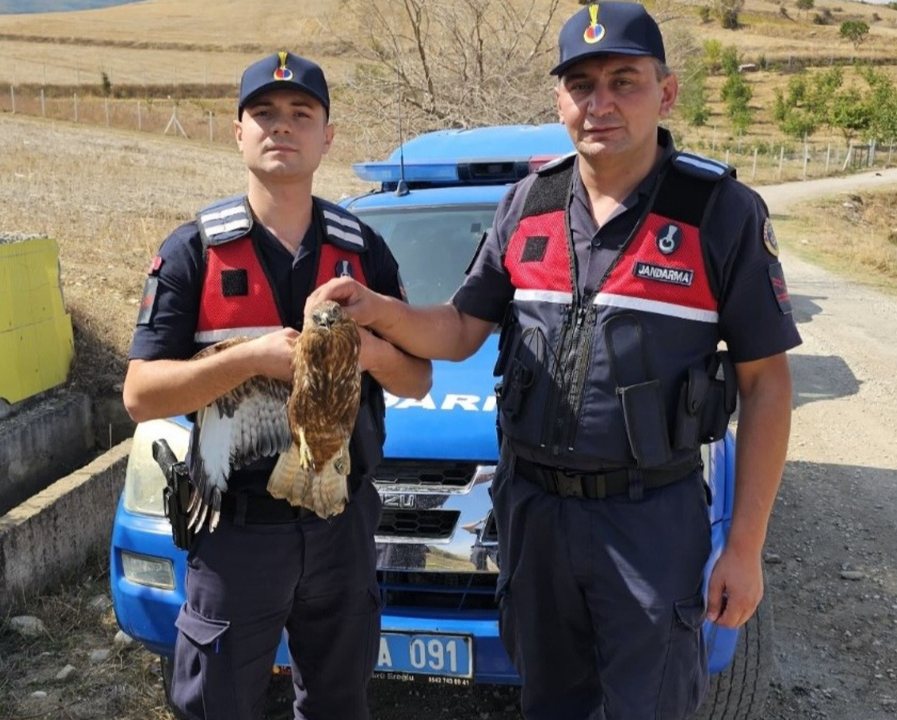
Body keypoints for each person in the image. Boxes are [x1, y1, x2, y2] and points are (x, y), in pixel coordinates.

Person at [306, 3, 800, 718]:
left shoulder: (719, 212)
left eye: (623, 81)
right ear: (559, 99)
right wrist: (378, 310)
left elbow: (768, 385)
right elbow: (459, 328)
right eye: (581, 84)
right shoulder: (527, 203)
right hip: (533, 513)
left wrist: (745, 547)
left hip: (651, 519)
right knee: (550, 704)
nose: (599, 104)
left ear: (666, 92)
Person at [122, 50, 432, 720]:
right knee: (220, 705)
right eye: (262, 113)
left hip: (340, 525)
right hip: (235, 532)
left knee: (338, 703)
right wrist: (250, 359)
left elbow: (418, 379)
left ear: (328, 136)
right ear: (238, 133)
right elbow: (140, 394)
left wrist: (373, 352)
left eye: (300, 114)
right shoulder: (193, 252)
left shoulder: (364, 251)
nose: (280, 127)